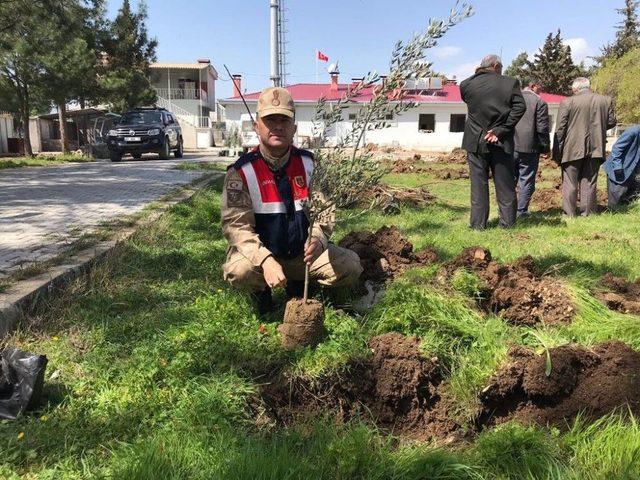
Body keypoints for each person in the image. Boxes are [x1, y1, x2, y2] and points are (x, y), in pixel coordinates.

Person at [221, 87, 363, 313]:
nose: (277, 126)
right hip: (260, 258)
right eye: (270, 120)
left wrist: (317, 240)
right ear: (257, 126)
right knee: (240, 271)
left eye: (284, 120)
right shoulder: (241, 172)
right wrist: (265, 259)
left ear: (294, 128)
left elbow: (325, 212)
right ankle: (261, 293)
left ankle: (298, 283)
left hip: (301, 256)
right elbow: (236, 227)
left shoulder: (311, 165)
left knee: (351, 266)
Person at [460, 54, 526, 230]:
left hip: (475, 140)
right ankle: (507, 224)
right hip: (500, 141)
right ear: (496, 66)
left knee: (478, 184)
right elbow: (520, 107)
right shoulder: (510, 83)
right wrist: (501, 130)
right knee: (505, 184)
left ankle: (477, 225)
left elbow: (474, 104)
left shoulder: (466, 84)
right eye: (501, 68)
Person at [553, 77, 616, 217]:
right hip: (596, 147)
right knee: (589, 181)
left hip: (572, 148)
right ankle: (587, 213)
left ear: (575, 89)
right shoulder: (605, 100)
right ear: (589, 87)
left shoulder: (568, 102)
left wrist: (557, 152)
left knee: (570, 182)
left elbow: (560, 129)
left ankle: (569, 214)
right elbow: (611, 122)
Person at [513, 77, 550, 217]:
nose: (542, 90)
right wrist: (545, 148)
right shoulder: (539, 102)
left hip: (511, 146)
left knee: (510, 179)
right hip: (530, 148)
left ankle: (506, 210)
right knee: (526, 180)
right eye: (540, 87)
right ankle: (521, 212)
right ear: (533, 86)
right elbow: (542, 128)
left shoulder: (513, 98)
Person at [603, 124, 640, 208]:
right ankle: (612, 215)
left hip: (632, 170)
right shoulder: (632, 132)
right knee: (615, 200)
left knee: (630, 199)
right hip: (619, 170)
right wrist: (617, 167)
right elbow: (617, 148)